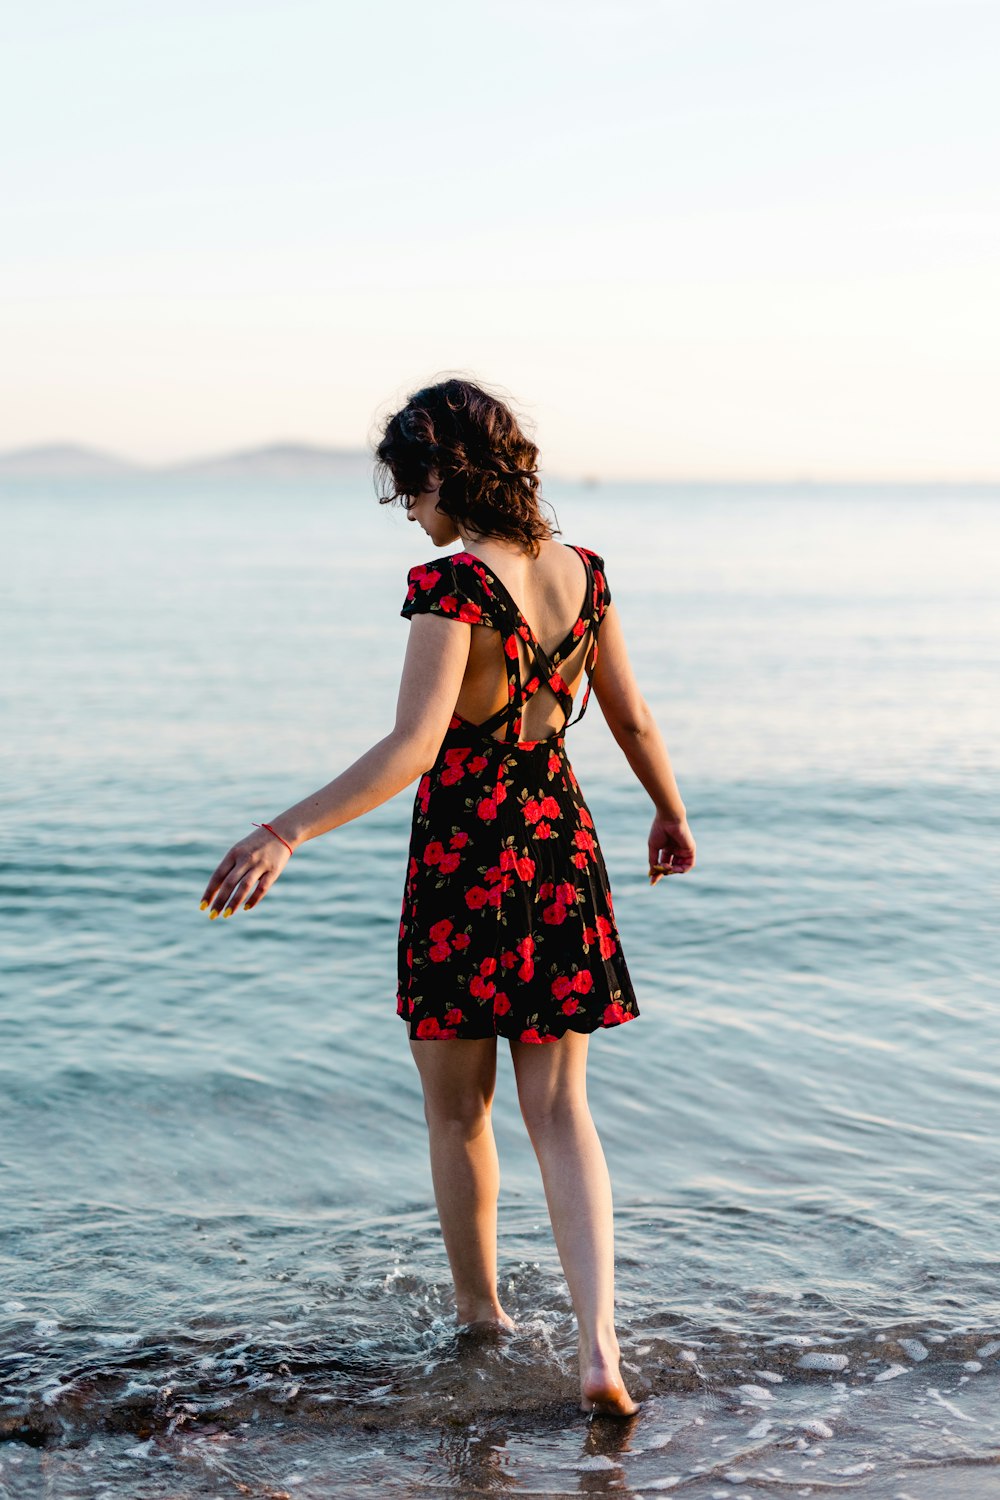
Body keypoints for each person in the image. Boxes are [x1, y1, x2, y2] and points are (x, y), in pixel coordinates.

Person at [200, 378, 696, 1418]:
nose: (410, 513)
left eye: (409, 492)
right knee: (563, 1111)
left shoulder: (452, 587)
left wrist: (283, 828)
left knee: (458, 1113)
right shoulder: (585, 575)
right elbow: (633, 716)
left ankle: (482, 1319)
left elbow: (413, 748)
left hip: (468, 862)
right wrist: (669, 812)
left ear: (441, 476)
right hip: (559, 847)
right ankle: (598, 1346)